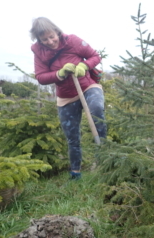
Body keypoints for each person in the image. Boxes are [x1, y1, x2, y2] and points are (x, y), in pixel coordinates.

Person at [30, 17, 107, 180]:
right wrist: (60, 73)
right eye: (44, 40)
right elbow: (41, 77)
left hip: (87, 86)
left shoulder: (72, 41)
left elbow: (95, 56)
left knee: (97, 108)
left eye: (52, 37)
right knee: (72, 136)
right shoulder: (39, 52)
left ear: (57, 32)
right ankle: (75, 173)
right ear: (39, 40)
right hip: (65, 96)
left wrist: (84, 66)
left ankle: (105, 158)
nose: (50, 41)